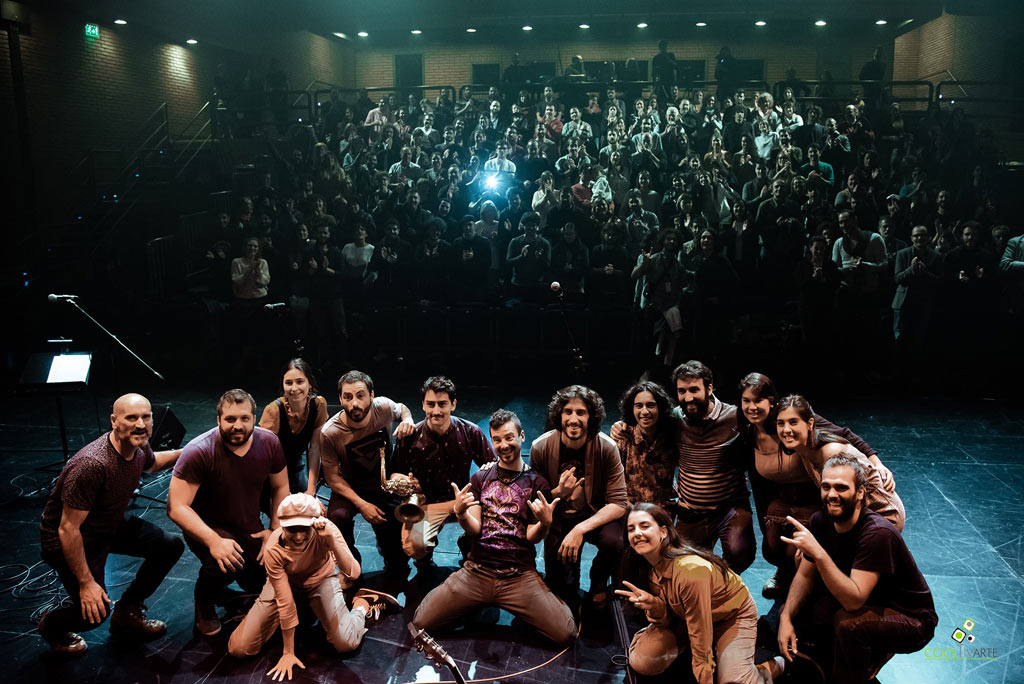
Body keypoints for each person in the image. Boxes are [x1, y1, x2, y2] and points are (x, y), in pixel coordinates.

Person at [410, 409, 576, 645]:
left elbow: (531, 536)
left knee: (566, 633)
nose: (503, 445)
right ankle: (473, 603)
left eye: (509, 437)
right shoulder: (481, 477)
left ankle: (530, 600)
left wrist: (544, 524)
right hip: (477, 571)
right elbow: (475, 529)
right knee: (421, 622)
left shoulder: (537, 482)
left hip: (517, 576)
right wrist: (461, 514)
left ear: (522, 436)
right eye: (496, 440)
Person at [37, 394, 185, 655]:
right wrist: (86, 583)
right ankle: (51, 624)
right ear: (114, 422)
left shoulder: (138, 445)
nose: (140, 424)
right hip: (70, 541)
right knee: (92, 614)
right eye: (131, 418)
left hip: (108, 526)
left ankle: (127, 612)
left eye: (146, 417)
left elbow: (151, 464)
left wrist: (193, 450)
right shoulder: (92, 465)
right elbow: (67, 529)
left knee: (168, 545)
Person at [778, 455, 936, 684]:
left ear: (860, 492)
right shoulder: (820, 521)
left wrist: (819, 553)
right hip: (870, 599)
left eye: (841, 487)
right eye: (826, 487)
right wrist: (785, 617)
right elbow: (804, 574)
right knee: (799, 612)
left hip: (910, 617)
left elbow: (853, 602)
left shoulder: (877, 534)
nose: (832, 494)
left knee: (849, 624)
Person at [735, 373, 892, 600]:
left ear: (771, 401)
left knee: (797, 550)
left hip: (812, 495)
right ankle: (786, 573)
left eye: (757, 400)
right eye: (746, 401)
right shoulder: (748, 434)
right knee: (772, 548)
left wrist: (876, 462)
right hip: (781, 497)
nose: (752, 407)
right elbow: (759, 488)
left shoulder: (790, 420)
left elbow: (843, 435)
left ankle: (810, 585)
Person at [227, 494, 400, 677]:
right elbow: (286, 602)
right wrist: (288, 653)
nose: (299, 536)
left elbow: (353, 573)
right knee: (239, 648)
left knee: (345, 643)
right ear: (282, 525)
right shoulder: (273, 548)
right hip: (286, 584)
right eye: (292, 529)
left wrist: (331, 540)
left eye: (304, 528)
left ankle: (362, 605)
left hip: (321, 581)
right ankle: (292, 612)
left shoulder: (327, 530)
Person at [168, 389, 290, 636]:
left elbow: (280, 487)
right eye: (230, 419)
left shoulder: (269, 442)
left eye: (244, 418)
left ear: (254, 418)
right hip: (209, 528)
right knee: (226, 561)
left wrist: (275, 530)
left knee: (265, 579)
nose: (238, 425)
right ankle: (203, 604)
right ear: (218, 420)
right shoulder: (199, 451)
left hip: (249, 526)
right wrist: (213, 541)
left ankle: (228, 592)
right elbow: (176, 507)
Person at [618, 503, 783, 683]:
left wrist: (704, 675)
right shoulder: (646, 567)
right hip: (687, 617)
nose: (637, 533)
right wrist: (655, 606)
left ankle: (774, 666)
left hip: (730, 617)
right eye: (631, 529)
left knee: (734, 681)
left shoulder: (690, 570)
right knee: (642, 661)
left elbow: (700, 632)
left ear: (663, 532)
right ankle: (715, 653)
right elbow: (671, 615)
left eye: (644, 526)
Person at [529, 386, 627, 608]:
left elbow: (619, 503)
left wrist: (580, 529)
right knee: (560, 586)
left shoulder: (607, 448)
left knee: (614, 541)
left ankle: (598, 581)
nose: (574, 419)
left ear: (591, 417)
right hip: (559, 517)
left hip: (593, 513)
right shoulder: (540, 447)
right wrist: (559, 493)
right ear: (559, 415)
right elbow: (535, 499)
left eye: (581, 412)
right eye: (568, 412)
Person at [390, 376, 496, 570]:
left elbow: (494, 469)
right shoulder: (409, 436)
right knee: (415, 545)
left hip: (463, 500)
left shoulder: (471, 431)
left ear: (453, 404)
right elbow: (395, 473)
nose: (436, 411)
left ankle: (469, 544)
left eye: (442, 404)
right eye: (430, 404)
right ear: (422, 405)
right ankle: (425, 562)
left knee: (493, 522)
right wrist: (401, 480)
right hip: (428, 502)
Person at [318, 370, 415, 578]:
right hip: (350, 487)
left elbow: (402, 409)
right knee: (338, 516)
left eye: (360, 396)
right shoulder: (330, 432)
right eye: (348, 397)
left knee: (399, 560)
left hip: (382, 484)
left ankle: (391, 555)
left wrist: (408, 419)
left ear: (371, 395)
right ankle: (350, 565)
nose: (354, 403)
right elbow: (333, 478)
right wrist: (362, 504)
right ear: (340, 398)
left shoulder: (384, 407)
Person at [775, 395, 904, 531]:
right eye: (781, 423)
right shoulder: (804, 450)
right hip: (857, 515)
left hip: (884, 516)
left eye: (793, 422)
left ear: (810, 424)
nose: (786, 430)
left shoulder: (831, 452)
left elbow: (866, 497)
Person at [258, 359, 330, 498]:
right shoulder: (274, 410)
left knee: (310, 512)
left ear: (309, 383)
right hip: (270, 474)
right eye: (289, 383)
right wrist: (284, 492)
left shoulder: (318, 405)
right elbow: (265, 458)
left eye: (300, 381)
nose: (294, 388)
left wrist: (311, 490)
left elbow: (315, 449)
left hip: (296, 469)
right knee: (285, 513)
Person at [613, 381, 678, 509]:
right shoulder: (623, 437)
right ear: (632, 409)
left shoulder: (671, 436)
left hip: (662, 510)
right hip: (629, 509)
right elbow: (611, 484)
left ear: (660, 407)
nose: (645, 411)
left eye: (650, 405)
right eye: (639, 405)